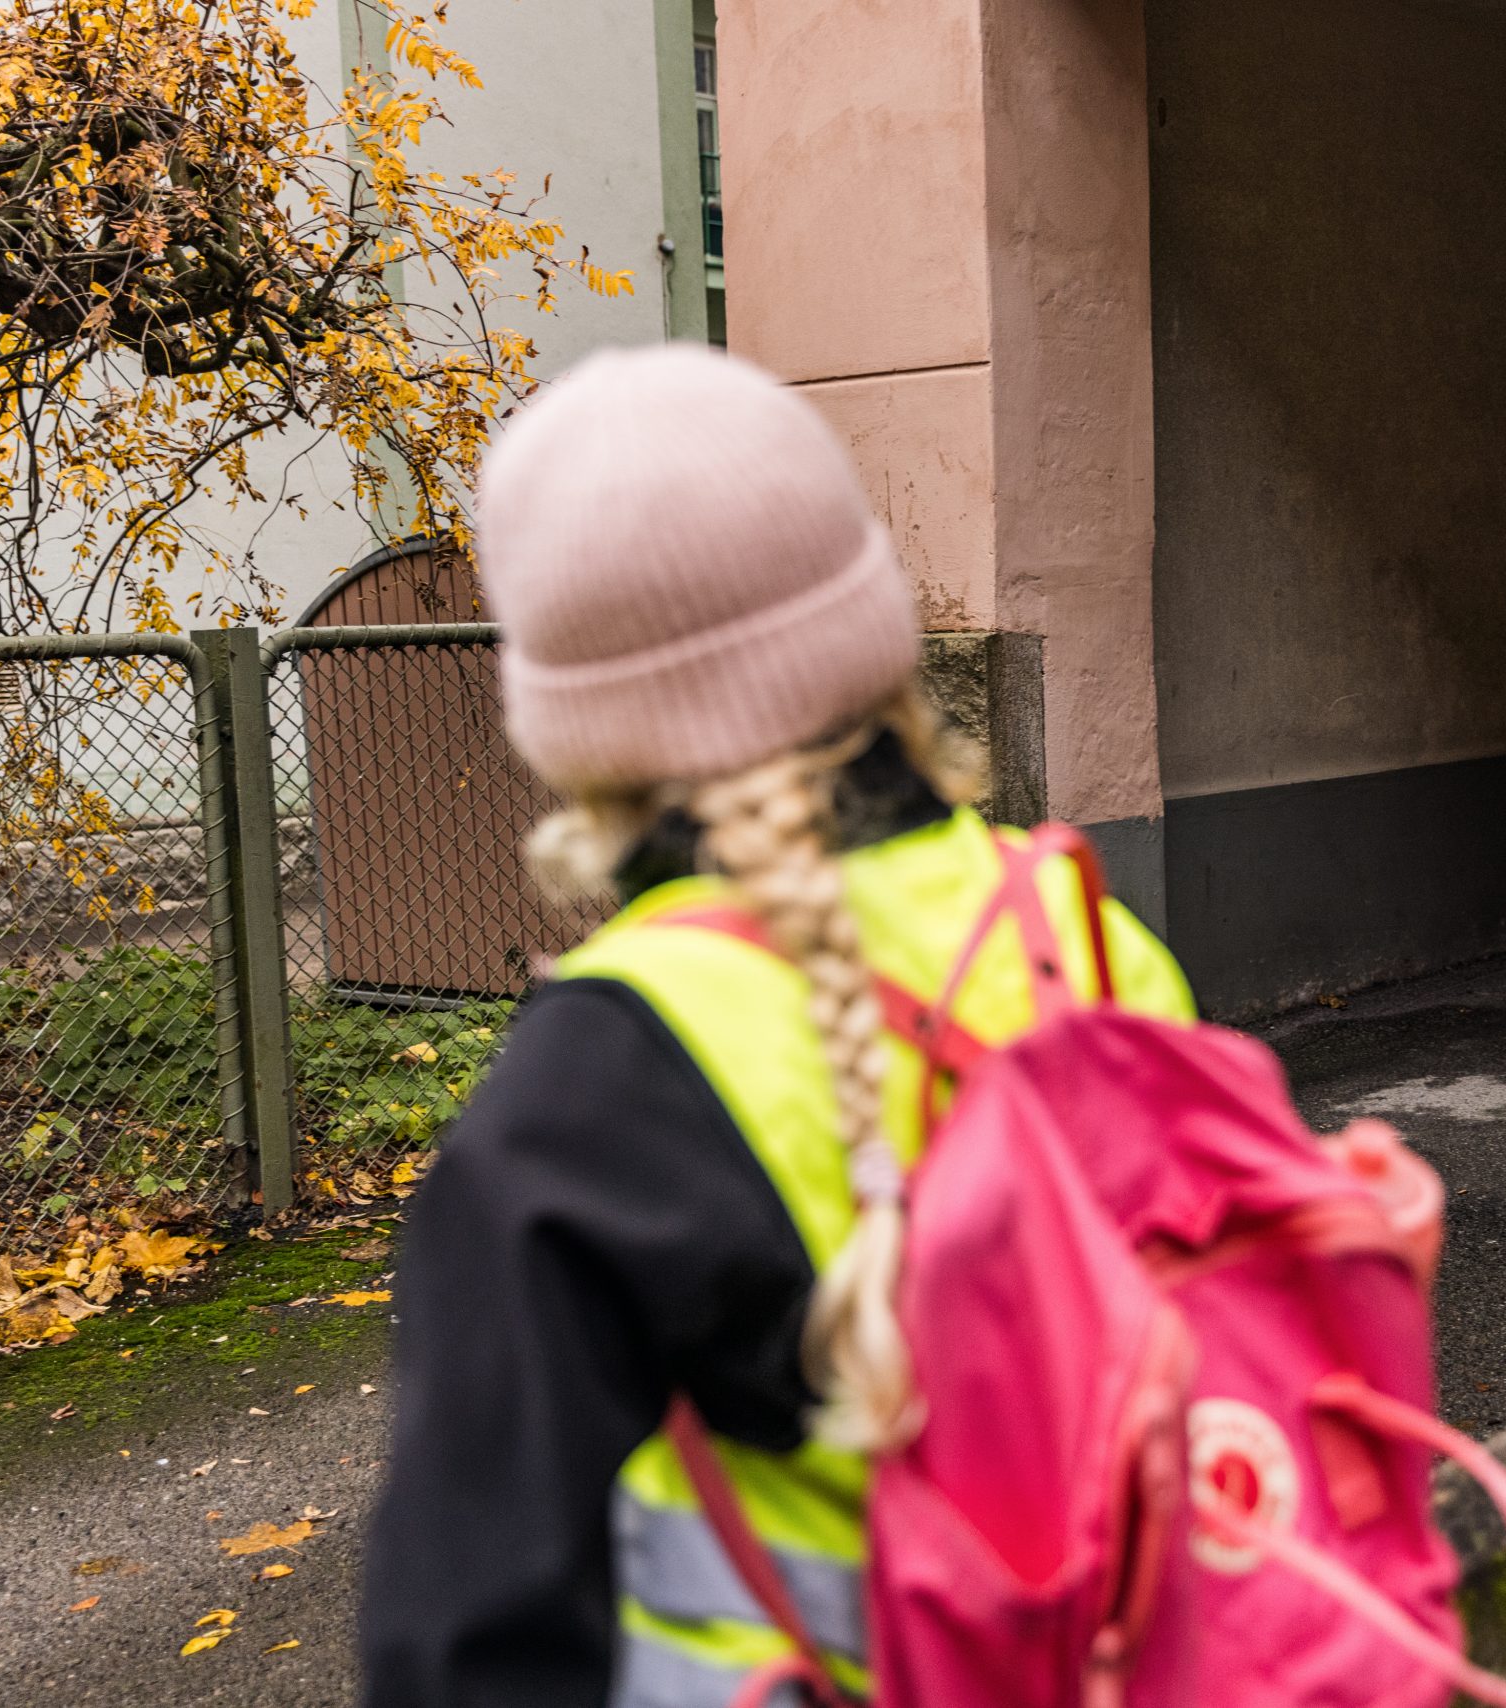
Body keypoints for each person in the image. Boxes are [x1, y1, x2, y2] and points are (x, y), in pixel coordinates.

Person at [358, 345, 1195, 1707]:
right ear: (869, 626)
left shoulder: (596, 1087)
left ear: (574, 721)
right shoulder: (1087, 934)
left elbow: (467, 1650)